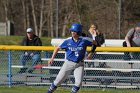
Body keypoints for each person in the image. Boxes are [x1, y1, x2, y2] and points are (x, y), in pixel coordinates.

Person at [46, 23, 97, 93]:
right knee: (57, 82)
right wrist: (52, 58)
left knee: (78, 83)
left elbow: (95, 43)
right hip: (68, 63)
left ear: (78, 32)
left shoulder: (84, 40)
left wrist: (91, 52)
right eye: (72, 31)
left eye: (74, 31)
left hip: (79, 64)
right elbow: (57, 48)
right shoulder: (68, 40)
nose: (72, 32)